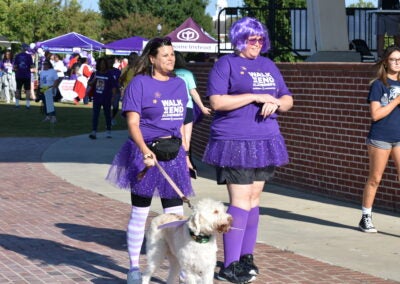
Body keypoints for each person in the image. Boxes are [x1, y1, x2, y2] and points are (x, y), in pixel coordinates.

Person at [202, 17, 293, 283]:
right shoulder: (226, 64)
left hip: (265, 139)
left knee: (254, 199)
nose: (257, 44)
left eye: (260, 39)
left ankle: (245, 257)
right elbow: (217, 102)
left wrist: (276, 101)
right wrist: (255, 96)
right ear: (240, 39)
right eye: (252, 39)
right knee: (240, 201)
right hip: (234, 140)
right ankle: (229, 266)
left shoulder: (268, 64)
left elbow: (288, 99)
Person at [105, 37, 193, 284]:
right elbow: (132, 123)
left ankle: (180, 271)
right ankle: (134, 267)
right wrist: (144, 149)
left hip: (173, 155)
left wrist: (185, 154)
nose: (170, 58)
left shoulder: (179, 84)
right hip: (146, 155)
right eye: (165, 55)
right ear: (152, 59)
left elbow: (183, 123)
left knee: (176, 217)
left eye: (172, 54)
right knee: (140, 212)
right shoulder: (139, 84)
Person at [359, 45, 400, 233]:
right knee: (375, 178)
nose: (397, 63)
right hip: (381, 137)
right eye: (393, 59)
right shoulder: (378, 85)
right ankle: (366, 217)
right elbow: (375, 115)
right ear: (386, 61)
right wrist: (396, 101)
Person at [174, 51, 212, 176]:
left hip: (174, 108)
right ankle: (187, 162)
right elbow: (193, 92)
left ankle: (180, 164)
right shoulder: (187, 73)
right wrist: (202, 107)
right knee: (187, 140)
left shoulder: (169, 73)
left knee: (179, 138)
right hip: (188, 108)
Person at [87, 57, 118, 139]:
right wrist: (94, 80)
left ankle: (108, 131)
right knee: (95, 115)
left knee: (107, 115)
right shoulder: (95, 73)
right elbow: (89, 83)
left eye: (104, 64)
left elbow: (114, 87)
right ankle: (94, 131)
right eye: (101, 64)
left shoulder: (109, 74)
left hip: (106, 98)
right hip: (97, 97)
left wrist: (113, 97)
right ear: (98, 65)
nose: (102, 66)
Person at [13, 43, 35, 109]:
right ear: (26, 49)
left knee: (18, 89)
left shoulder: (17, 56)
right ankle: (27, 105)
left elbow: (15, 66)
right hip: (27, 75)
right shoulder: (29, 56)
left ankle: (17, 104)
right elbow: (32, 66)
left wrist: (17, 69)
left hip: (19, 75)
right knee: (28, 90)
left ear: (21, 48)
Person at [106, 56, 122, 126]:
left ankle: (112, 117)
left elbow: (120, 80)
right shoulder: (105, 71)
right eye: (108, 62)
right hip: (107, 91)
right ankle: (109, 120)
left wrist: (120, 85)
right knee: (107, 106)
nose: (110, 63)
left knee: (115, 107)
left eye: (111, 61)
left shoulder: (117, 71)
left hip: (116, 91)